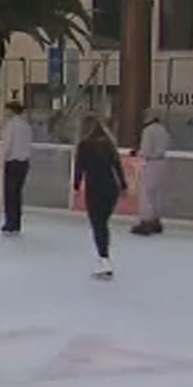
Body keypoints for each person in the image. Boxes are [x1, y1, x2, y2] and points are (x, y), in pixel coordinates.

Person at [72, 116, 128, 280]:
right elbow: (117, 166)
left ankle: (104, 260)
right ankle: (104, 258)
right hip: (111, 188)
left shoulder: (84, 146)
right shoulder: (108, 144)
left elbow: (79, 168)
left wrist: (76, 185)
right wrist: (123, 186)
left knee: (98, 225)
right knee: (102, 224)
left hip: (95, 188)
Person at [0, 101, 34, 235]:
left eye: (7, 110)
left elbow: (8, 144)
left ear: (12, 111)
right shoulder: (26, 125)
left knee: (10, 194)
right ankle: (17, 222)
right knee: (17, 193)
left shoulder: (11, 126)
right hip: (24, 162)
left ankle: (10, 223)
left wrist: (1, 161)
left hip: (12, 162)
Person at [132, 113, 170, 236]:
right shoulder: (163, 130)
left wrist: (137, 153)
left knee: (147, 194)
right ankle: (156, 220)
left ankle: (146, 221)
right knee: (158, 194)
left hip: (152, 162)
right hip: (162, 162)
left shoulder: (148, 131)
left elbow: (146, 149)